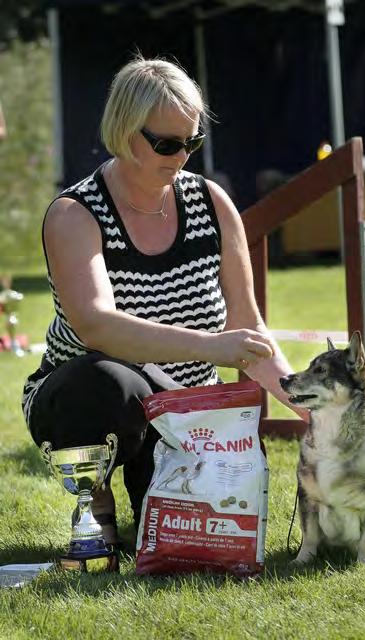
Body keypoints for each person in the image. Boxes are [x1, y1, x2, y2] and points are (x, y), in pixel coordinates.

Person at [22, 55, 308, 547]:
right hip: (91, 402)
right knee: (106, 378)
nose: (181, 156)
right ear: (124, 130)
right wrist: (211, 348)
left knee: (196, 542)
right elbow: (97, 327)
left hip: (186, 416)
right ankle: (97, 510)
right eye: (167, 144)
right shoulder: (75, 213)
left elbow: (248, 330)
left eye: (192, 142)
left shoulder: (213, 204)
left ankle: (152, 496)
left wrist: (316, 408)